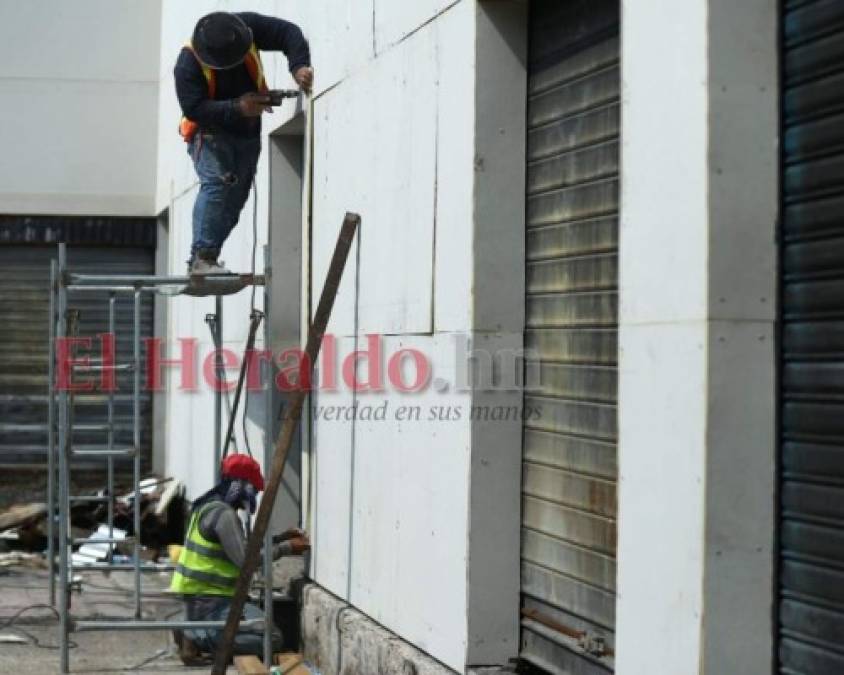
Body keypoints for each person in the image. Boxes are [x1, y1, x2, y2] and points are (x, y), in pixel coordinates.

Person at [175, 11, 313, 275]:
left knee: (235, 199)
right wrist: (237, 107)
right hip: (209, 132)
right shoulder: (188, 63)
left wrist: (298, 66)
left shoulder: (244, 28)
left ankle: (207, 257)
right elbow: (194, 108)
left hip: (246, 131)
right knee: (217, 184)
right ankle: (201, 258)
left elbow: (288, 33)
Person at [170, 454, 310, 665]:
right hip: (212, 603)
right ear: (240, 485)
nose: (253, 495)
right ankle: (198, 637)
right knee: (272, 638)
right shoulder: (224, 515)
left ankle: (192, 628)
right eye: (253, 488)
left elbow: (238, 546)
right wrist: (287, 547)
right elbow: (247, 561)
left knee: (263, 627)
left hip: (203, 600)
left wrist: (279, 538)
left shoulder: (206, 506)